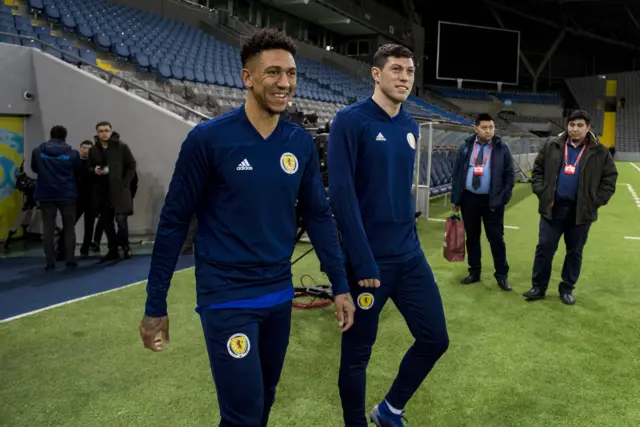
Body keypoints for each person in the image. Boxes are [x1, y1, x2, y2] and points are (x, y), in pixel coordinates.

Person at [138, 28, 355, 427]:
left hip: (278, 294)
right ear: (247, 78)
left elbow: (319, 216)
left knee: (263, 402)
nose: (285, 83)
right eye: (273, 72)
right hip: (227, 297)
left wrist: (340, 284)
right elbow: (173, 223)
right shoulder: (208, 140)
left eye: (290, 73)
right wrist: (156, 305)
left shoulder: (299, 143)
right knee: (242, 413)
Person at [328, 44, 449, 427]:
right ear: (376, 74)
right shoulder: (350, 121)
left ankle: (390, 409)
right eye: (396, 69)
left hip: (409, 256)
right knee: (358, 354)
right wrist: (361, 259)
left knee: (435, 339)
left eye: (410, 71)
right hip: (369, 262)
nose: (404, 77)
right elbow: (343, 198)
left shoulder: (411, 127)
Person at [524, 110, 617, 305]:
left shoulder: (600, 151)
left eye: (580, 125)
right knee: (544, 249)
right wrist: (541, 190)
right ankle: (538, 287)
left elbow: (609, 179)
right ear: (567, 126)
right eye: (572, 125)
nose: (575, 129)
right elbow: (538, 170)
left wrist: (596, 200)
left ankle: (566, 289)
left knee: (574, 252)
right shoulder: (552, 145)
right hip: (553, 208)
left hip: (580, 212)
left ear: (588, 128)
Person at [450, 113, 514, 291]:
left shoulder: (502, 148)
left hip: (492, 201)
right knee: (472, 237)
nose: (488, 131)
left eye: (491, 127)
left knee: (496, 239)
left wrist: (504, 197)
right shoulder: (465, 146)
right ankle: (474, 272)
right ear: (476, 128)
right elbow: (457, 174)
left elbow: (510, 175)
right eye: (484, 127)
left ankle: (501, 275)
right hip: (469, 198)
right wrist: (455, 199)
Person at [30, 125, 83, 270]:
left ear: (51, 135)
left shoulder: (38, 151)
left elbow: (35, 168)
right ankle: (70, 260)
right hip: (67, 194)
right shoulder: (72, 154)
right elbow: (78, 170)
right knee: (69, 228)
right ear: (65, 136)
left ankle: (50, 262)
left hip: (46, 194)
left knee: (48, 229)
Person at [87, 122, 137, 262]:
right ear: (97, 133)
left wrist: (125, 182)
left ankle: (126, 247)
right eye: (101, 131)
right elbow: (89, 166)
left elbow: (131, 165)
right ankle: (112, 249)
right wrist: (94, 170)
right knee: (106, 222)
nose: (104, 133)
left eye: (106, 130)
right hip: (102, 190)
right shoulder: (93, 149)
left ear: (111, 131)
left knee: (121, 220)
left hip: (119, 190)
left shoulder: (121, 147)